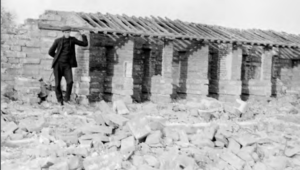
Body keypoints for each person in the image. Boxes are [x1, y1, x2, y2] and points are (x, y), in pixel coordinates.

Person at [48, 26, 88, 105]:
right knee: (57, 84)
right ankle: (60, 101)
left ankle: (66, 99)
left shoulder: (72, 40)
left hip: (67, 65)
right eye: (66, 32)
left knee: (70, 82)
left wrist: (83, 35)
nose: (67, 34)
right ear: (63, 33)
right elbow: (50, 52)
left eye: (68, 32)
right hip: (58, 65)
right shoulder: (57, 41)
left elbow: (85, 44)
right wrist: (57, 57)